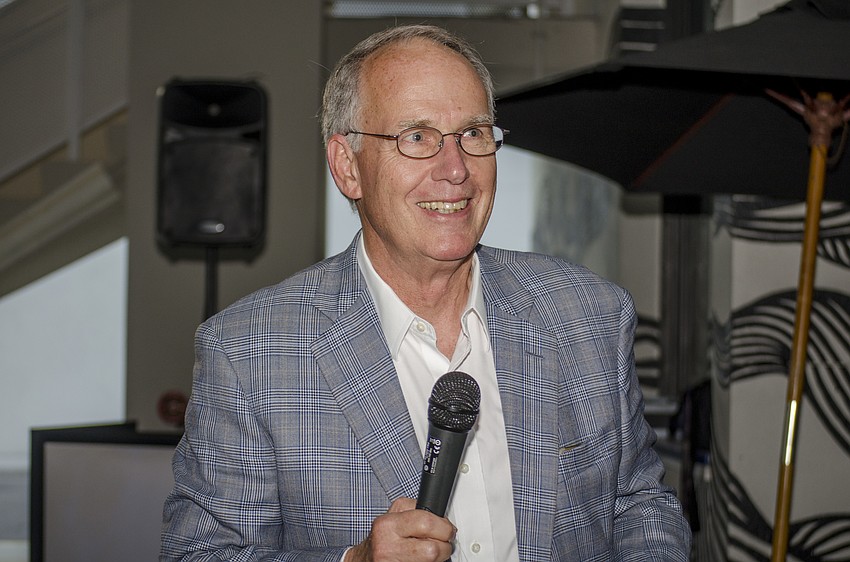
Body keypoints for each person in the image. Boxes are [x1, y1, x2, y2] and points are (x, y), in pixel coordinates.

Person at [161, 24, 691, 562]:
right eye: (417, 137)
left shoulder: (589, 316)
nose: (456, 169)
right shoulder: (249, 352)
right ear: (348, 167)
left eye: (475, 134)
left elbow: (640, 506)